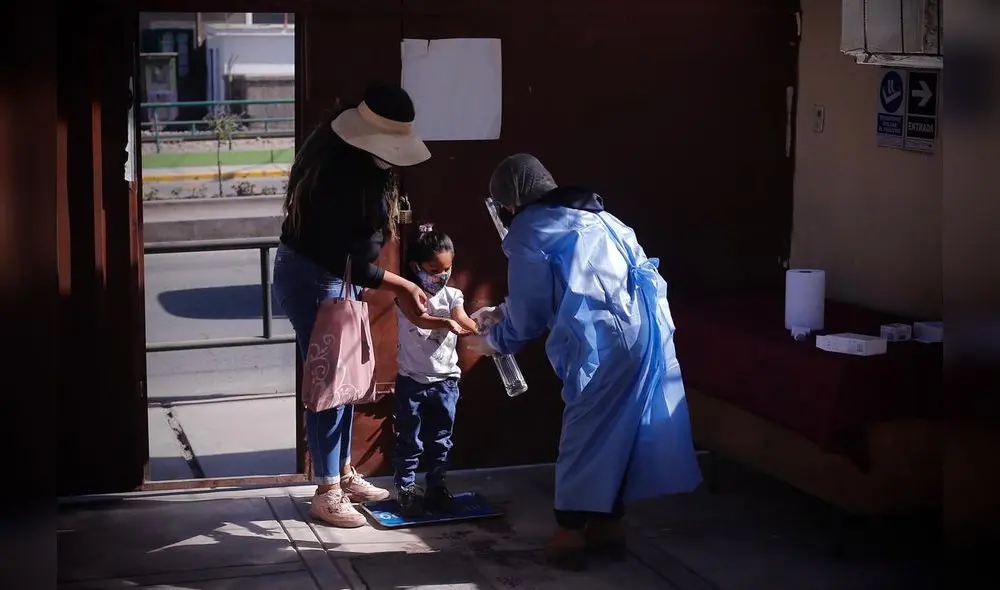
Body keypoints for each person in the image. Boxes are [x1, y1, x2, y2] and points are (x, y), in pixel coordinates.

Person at [466, 154, 703, 569]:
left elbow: (531, 310)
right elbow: (573, 283)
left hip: (602, 344)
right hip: (644, 332)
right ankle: (610, 527)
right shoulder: (598, 217)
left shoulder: (529, 230)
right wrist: (506, 315)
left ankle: (570, 534)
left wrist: (496, 339)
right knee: (621, 430)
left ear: (511, 202)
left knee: (584, 434)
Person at [271, 83, 432, 528]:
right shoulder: (337, 176)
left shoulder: (356, 162)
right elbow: (348, 260)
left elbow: (357, 257)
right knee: (330, 383)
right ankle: (326, 490)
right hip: (317, 277)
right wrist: (400, 285)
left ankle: (341, 472)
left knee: (342, 379)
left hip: (332, 276)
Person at [393, 225, 478, 517]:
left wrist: (482, 326)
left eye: (447, 269)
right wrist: (446, 324)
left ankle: (437, 486)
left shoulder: (453, 295)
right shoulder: (406, 294)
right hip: (412, 381)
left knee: (441, 438)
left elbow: (462, 318)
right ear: (416, 267)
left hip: (446, 382)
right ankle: (405, 487)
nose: (440, 276)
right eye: (433, 269)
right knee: (410, 439)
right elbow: (421, 318)